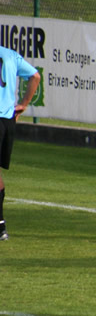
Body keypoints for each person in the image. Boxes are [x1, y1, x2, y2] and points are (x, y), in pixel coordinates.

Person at [0, 46, 41, 241]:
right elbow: (35, 76)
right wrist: (23, 104)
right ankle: (0, 226)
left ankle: (0, 225)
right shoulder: (10, 54)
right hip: (7, 121)